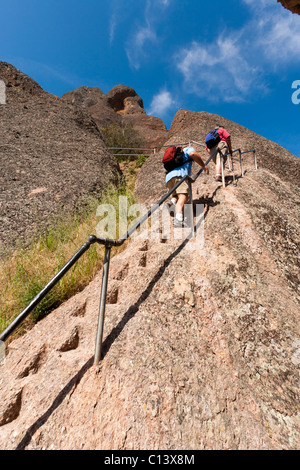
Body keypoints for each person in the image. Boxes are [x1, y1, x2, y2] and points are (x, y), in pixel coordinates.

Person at [166, 146, 209, 227]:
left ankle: (172, 202)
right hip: (180, 176)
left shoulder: (176, 154)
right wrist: (203, 165)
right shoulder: (188, 149)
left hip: (168, 178)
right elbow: (193, 154)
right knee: (183, 197)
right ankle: (178, 219)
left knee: (175, 195)